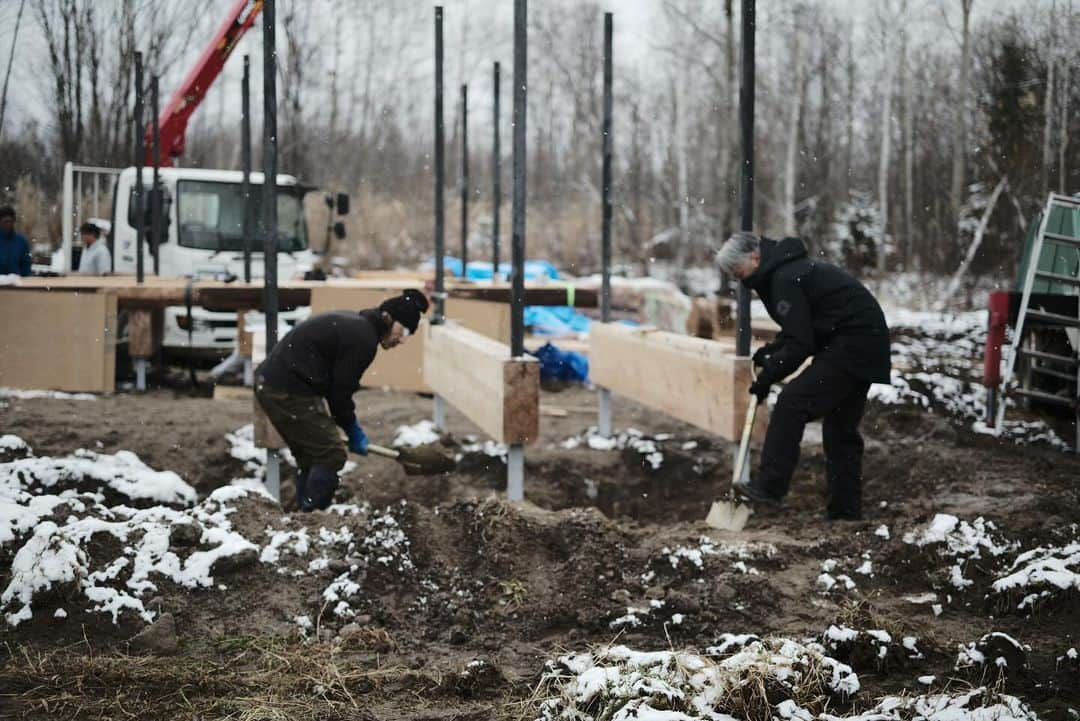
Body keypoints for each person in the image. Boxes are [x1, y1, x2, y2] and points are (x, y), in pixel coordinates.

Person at [716, 231, 890, 521]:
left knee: (792, 403)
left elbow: (801, 344)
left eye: (738, 271)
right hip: (866, 343)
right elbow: (801, 328)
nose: (739, 280)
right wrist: (772, 351)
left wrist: (769, 376)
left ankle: (771, 485)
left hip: (852, 344)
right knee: (840, 430)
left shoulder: (784, 278)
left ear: (755, 257)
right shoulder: (787, 271)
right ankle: (845, 513)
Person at [255, 289, 430, 511]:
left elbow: (336, 388)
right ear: (388, 317)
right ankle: (312, 519)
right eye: (404, 330)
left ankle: (303, 518)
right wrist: (353, 430)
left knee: (312, 454)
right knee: (331, 454)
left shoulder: (358, 326)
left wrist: (346, 425)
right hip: (285, 389)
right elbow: (340, 393)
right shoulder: (363, 339)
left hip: (280, 384)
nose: (402, 340)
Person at [0, 206, 32, 276]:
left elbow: (26, 267)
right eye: (5, 222)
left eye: (10, 221)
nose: (8, 224)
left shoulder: (22, 242)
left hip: (17, 284)